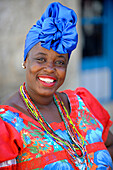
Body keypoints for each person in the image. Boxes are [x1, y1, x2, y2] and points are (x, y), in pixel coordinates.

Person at [0, 2, 113, 169]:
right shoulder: (7, 125)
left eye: (60, 62)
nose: (50, 69)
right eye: (41, 59)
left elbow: (109, 144)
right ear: (25, 61)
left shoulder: (82, 104)